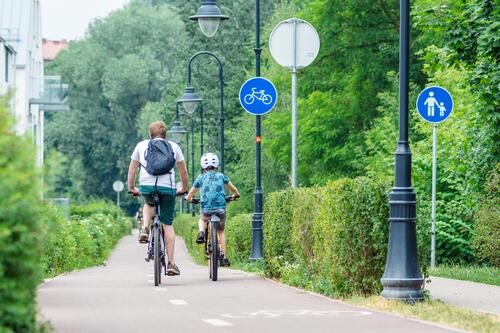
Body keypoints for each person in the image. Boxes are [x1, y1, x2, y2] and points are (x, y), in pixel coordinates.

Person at [127, 121, 189, 276]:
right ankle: (171, 263)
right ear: (165, 134)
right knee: (167, 224)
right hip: (168, 188)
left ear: (150, 134)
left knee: (148, 203)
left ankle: (146, 228)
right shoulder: (174, 147)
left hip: (147, 186)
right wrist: (184, 188)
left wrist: (132, 188)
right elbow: (183, 173)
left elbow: (132, 170)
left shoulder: (141, 145)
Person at [185, 153, 240, 267]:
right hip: (220, 208)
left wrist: (189, 199)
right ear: (217, 165)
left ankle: (201, 232)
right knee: (221, 231)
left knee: (203, 219)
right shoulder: (221, 176)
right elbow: (234, 189)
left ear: (203, 167)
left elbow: (191, 192)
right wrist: (235, 195)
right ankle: (224, 256)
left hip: (206, 207)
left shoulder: (201, 177)